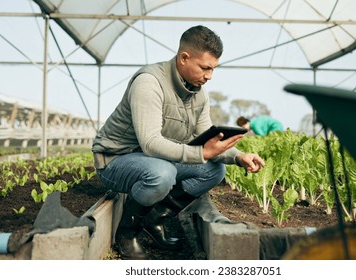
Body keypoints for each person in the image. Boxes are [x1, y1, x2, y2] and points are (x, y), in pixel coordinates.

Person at [91, 25, 265, 260]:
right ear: (184, 58)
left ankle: (155, 220)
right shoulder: (149, 82)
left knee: (214, 169)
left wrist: (238, 156)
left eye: (213, 69)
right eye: (205, 68)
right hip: (116, 160)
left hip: (149, 160)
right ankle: (127, 232)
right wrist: (201, 153)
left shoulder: (199, 93)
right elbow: (151, 143)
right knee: (162, 173)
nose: (209, 75)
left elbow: (207, 134)